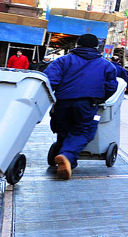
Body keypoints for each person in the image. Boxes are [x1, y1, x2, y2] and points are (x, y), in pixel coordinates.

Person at [43, 33, 117, 180]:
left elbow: (49, 80)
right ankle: (66, 156)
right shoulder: (106, 65)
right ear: (96, 47)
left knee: (64, 131)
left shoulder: (62, 61)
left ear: (77, 45)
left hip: (62, 103)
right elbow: (111, 86)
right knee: (85, 131)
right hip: (87, 104)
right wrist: (100, 98)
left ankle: (69, 162)